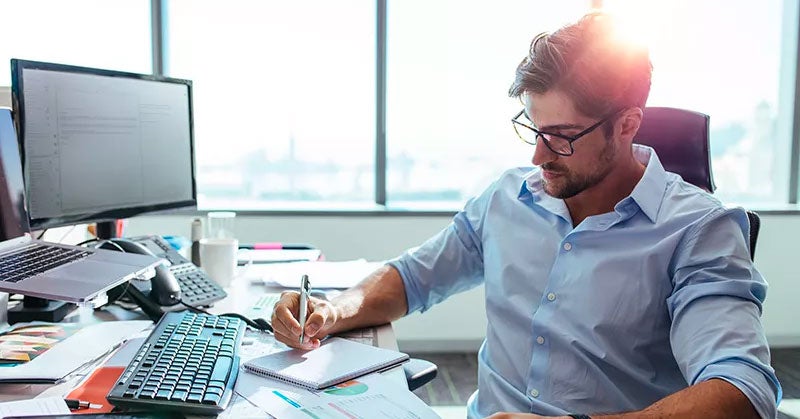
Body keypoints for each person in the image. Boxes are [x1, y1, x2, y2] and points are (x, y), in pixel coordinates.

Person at [271, 11, 781, 419]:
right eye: (533, 128)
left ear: (627, 125)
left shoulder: (698, 230)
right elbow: (411, 278)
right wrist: (333, 310)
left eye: (561, 136)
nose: (539, 156)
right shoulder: (508, 197)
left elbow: (742, 390)